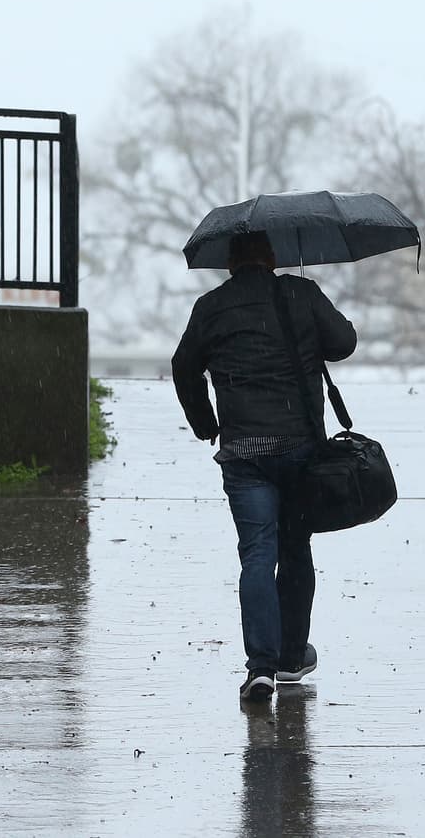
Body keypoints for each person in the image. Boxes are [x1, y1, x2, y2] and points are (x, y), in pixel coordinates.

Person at [171, 233, 357, 702]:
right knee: (295, 547)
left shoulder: (212, 307)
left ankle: (261, 667)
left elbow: (183, 366)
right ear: (271, 258)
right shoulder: (301, 293)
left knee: (258, 552)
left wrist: (204, 422)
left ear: (230, 262)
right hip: (300, 450)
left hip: (244, 454)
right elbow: (344, 342)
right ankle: (293, 656)